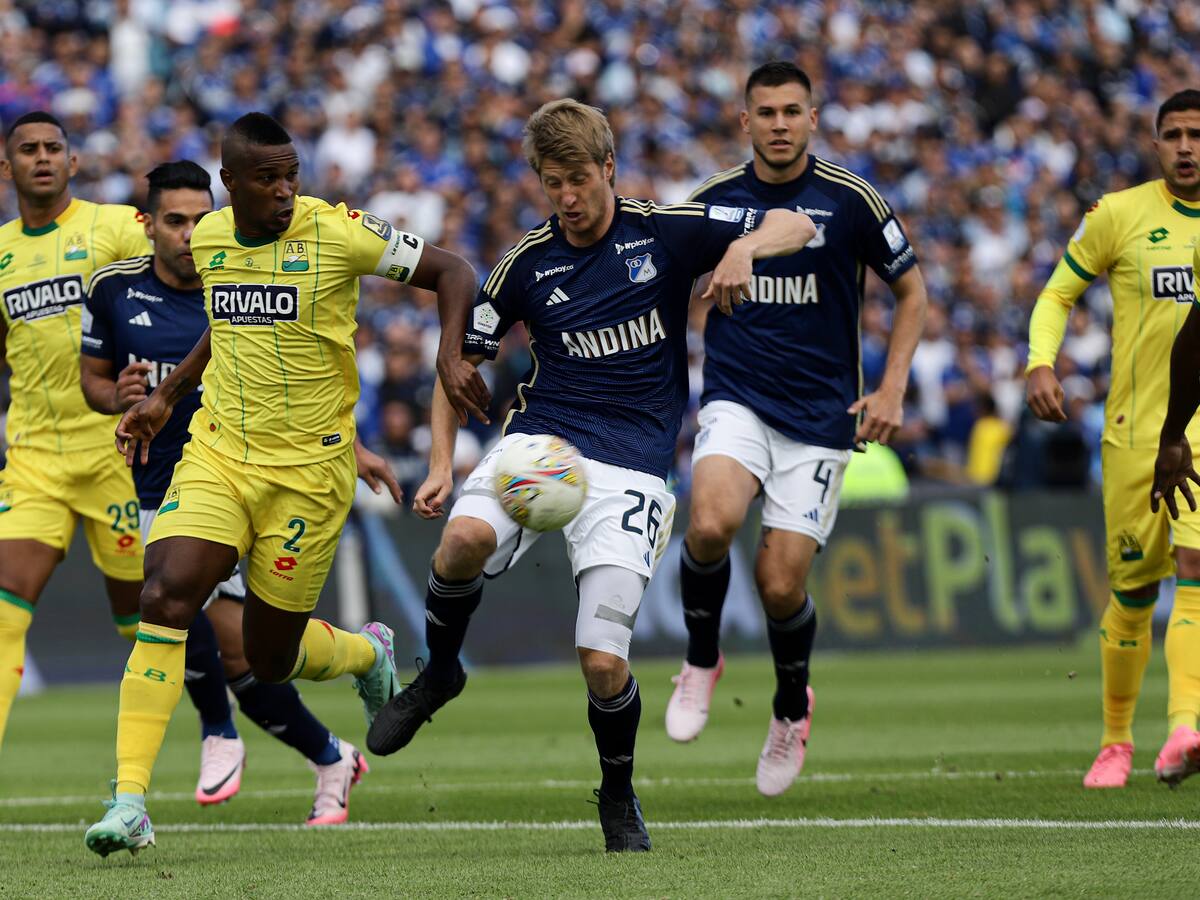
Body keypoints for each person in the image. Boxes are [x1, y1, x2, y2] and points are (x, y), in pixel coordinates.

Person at [368, 98, 816, 852]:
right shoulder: (528, 264)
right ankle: (440, 672)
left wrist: (743, 252)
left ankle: (616, 791)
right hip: (540, 446)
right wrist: (443, 463)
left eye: (579, 179)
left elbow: (798, 223)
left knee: (603, 663)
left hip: (634, 469)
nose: (567, 198)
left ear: (608, 169)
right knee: (461, 542)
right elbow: (456, 368)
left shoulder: (664, 232)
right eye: (552, 184)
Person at [84, 112, 479, 857]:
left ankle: (368, 655)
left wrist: (452, 357)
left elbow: (453, 270)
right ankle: (130, 800)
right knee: (164, 596)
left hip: (309, 476)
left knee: (269, 658)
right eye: (267, 179)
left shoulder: (338, 232)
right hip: (219, 455)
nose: (285, 190)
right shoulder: (210, 240)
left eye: (291, 174)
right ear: (229, 185)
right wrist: (169, 395)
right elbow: (223, 325)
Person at [662, 61, 927, 797]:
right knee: (710, 523)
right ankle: (702, 657)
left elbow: (912, 292)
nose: (779, 124)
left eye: (792, 111)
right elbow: (659, 283)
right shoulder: (713, 202)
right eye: (765, 112)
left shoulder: (852, 200)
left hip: (821, 418)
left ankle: (789, 707)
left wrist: (893, 385)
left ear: (814, 118)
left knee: (780, 586)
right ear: (743, 122)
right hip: (737, 398)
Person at [80, 159, 370, 825]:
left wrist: (356, 445)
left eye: (196, 219)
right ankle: (326, 751)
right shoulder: (117, 293)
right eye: (173, 220)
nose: (187, 234)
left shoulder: (240, 274)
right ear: (146, 224)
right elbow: (91, 381)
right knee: (237, 659)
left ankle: (219, 735)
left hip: (252, 486)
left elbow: (303, 384)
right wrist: (121, 395)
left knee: (230, 650)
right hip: (161, 489)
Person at [1027, 89, 1200, 789]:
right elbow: (1056, 294)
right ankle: (1116, 741)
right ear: (1155, 144)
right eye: (1174, 135)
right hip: (1134, 433)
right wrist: (1043, 360)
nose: (1187, 146)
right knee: (1132, 592)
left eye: (1198, 133)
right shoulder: (1119, 215)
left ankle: (1185, 726)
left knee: (1195, 568)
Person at [0, 111, 151, 750]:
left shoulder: (114, 226)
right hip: (34, 456)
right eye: (27, 149)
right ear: (7, 168)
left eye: (52, 147)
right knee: (5, 607)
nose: (41, 157)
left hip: (118, 452)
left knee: (148, 621)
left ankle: (288, 721)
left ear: (73, 161)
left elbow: (177, 290)